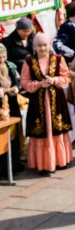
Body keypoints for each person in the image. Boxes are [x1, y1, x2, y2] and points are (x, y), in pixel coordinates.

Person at [20, 33, 72, 175]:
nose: (42, 48)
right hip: (38, 101)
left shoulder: (58, 59)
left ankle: (60, 161)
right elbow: (24, 81)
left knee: (57, 128)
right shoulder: (29, 61)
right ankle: (43, 164)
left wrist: (54, 81)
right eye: (39, 45)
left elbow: (65, 77)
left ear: (49, 46)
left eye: (45, 45)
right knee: (41, 131)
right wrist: (39, 84)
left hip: (56, 100)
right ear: (34, 46)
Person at [0, 44, 23, 174]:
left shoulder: (10, 66)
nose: (2, 60)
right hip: (1, 107)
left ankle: (14, 164)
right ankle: (3, 168)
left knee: (14, 137)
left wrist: (11, 89)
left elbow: (17, 84)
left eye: (4, 57)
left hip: (12, 105)